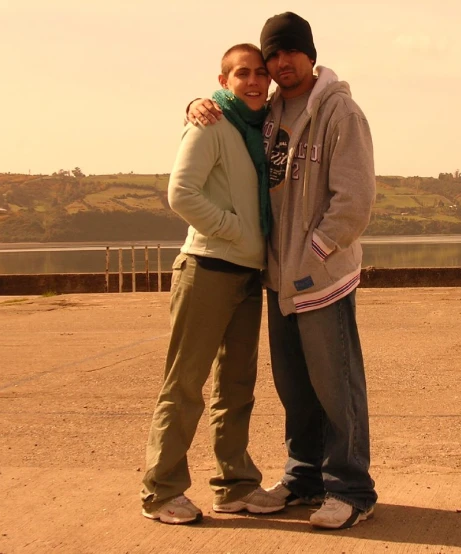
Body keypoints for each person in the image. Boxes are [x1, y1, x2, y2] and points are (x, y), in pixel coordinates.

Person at [187, 12, 377, 530]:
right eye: (273, 54)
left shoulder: (341, 113)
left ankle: (352, 490)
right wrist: (195, 103)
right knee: (295, 387)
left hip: (322, 278)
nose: (281, 62)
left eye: (291, 51)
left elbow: (355, 200)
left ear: (311, 55)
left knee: (337, 386)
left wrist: (316, 252)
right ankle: (304, 478)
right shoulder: (268, 112)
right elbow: (224, 109)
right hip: (278, 279)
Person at [140, 43, 285, 525]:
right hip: (206, 268)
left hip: (245, 274)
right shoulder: (209, 123)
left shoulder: (256, 128)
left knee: (237, 387)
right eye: (242, 73)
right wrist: (235, 229)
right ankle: (161, 492)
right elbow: (180, 193)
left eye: (260, 73)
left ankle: (235, 484)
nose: (253, 81)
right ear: (223, 82)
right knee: (184, 386)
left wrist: (248, 243)